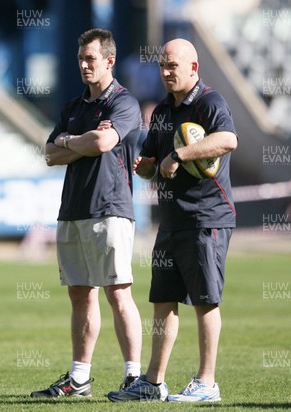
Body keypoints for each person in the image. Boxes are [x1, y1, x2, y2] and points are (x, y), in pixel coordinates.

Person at [107, 38, 237, 403]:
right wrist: (145, 167)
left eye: (172, 67)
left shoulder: (211, 102)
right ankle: (153, 381)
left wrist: (179, 153)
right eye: (162, 66)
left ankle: (207, 383)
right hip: (173, 218)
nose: (165, 73)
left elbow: (228, 139)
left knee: (205, 301)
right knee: (163, 301)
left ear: (193, 68)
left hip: (206, 217)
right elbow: (152, 165)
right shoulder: (162, 110)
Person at [30, 28, 143, 398]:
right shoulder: (73, 107)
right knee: (80, 294)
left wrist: (72, 142)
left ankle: (133, 377)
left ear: (109, 61)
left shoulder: (124, 103)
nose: (83, 64)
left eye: (90, 58)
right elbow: (49, 153)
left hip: (109, 208)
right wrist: (77, 141)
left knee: (118, 293)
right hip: (73, 210)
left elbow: (104, 142)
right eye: (80, 58)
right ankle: (79, 379)